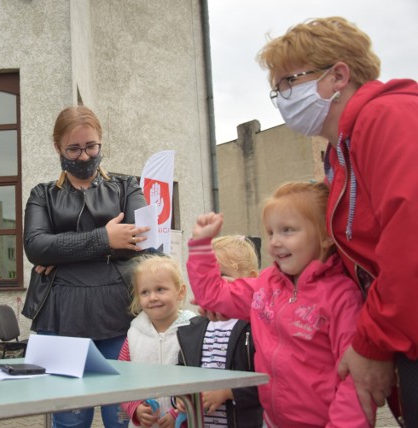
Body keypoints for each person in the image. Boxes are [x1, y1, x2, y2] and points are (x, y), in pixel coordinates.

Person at [256, 16, 418, 426]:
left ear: (338, 76)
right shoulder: (339, 154)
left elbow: (409, 243)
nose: (281, 97)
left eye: (288, 83)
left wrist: (371, 343)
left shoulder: (390, 117)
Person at [187, 181, 372, 427]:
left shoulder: (341, 297)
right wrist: (201, 245)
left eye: (287, 230)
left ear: (326, 236)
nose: (274, 241)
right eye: (271, 232)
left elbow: (354, 379)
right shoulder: (265, 286)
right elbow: (211, 295)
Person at [22, 105, 150, 428]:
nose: (83, 156)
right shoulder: (42, 195)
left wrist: (62, 251)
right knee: (69, 420)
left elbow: (142, 243)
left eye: (91, 146)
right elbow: (36, 247)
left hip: (118, 315)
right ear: (58, 148)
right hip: (61, 317)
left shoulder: (127, 187)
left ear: (101, 142)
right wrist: (106, 240)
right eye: (74, 148)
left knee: (121, 417)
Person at [176, 235, 262, 428]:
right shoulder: (193, 328)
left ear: (252, 279)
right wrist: (180, 396)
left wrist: (229, 391)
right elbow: (181, 369)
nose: (212, 287)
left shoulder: (255, 327)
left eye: (221, 277)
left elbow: (268, 381)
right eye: (206, 280)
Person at [117, 255, 196, 428]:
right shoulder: (134, 334)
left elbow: (204, 376)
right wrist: (135, 408)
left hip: (183, 422)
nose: (152, 297)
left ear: (180, 292)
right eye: (145, 292)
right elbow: (121, 378)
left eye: (160, 289)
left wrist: (178, 411)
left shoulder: (194, 330)